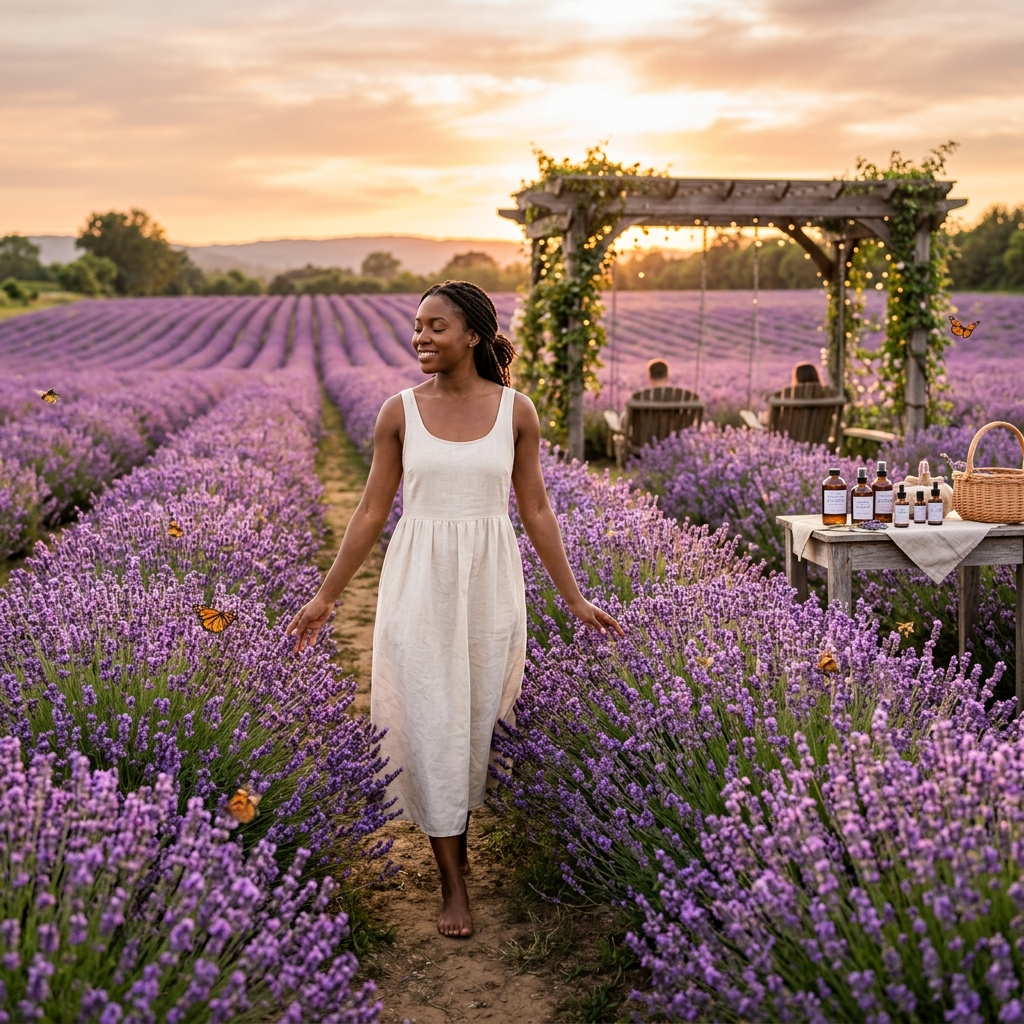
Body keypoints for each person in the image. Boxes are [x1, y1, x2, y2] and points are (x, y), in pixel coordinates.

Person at [286, 280, 623, 940]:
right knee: (435, 718)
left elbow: (537, 511)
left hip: (490, 584)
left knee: (476, 719)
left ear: (473, 334)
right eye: (417, 326)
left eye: (436, 326)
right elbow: (370, 513)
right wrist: (326, 598)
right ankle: (454, 882)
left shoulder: (516, 411)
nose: (421, 337)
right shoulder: (397, 412)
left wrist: (574, 597)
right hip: (419, 583)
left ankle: (479, 840)